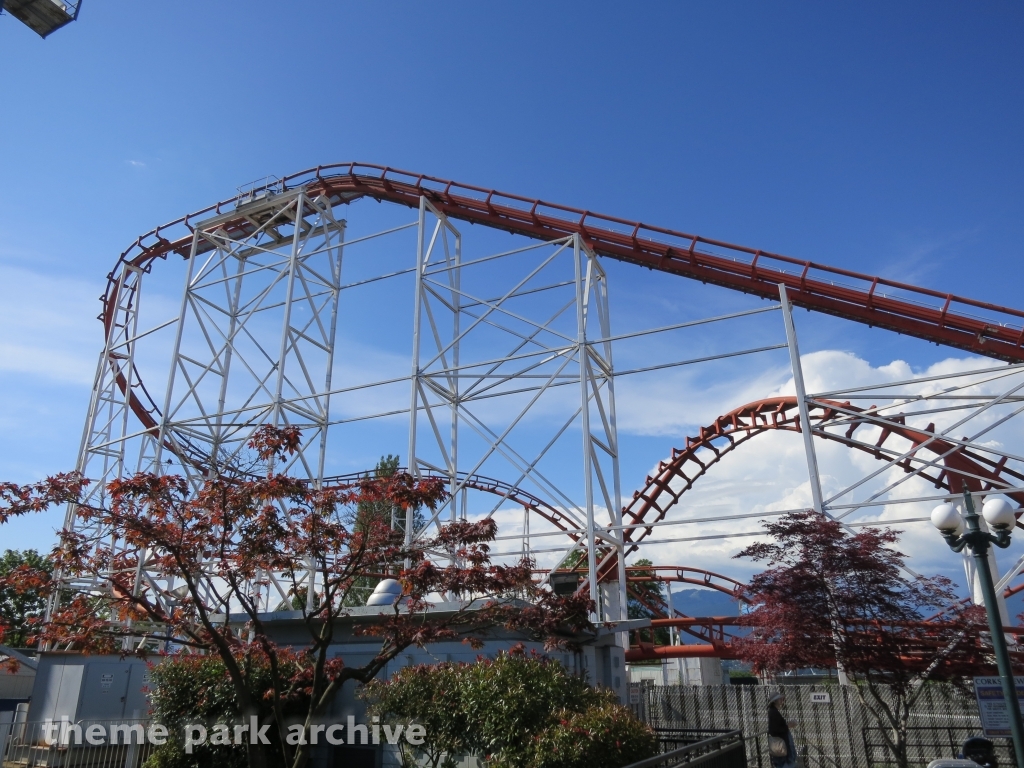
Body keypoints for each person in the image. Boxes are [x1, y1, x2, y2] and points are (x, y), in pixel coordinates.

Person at [768, 691, 798, 768]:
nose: (782, 699)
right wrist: (788, 726)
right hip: (780, 743)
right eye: (779, 699)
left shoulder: (774, 712)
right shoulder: (773, 713)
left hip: (781, 742)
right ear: (774, 701)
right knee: (784, 763)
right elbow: (774, 729)